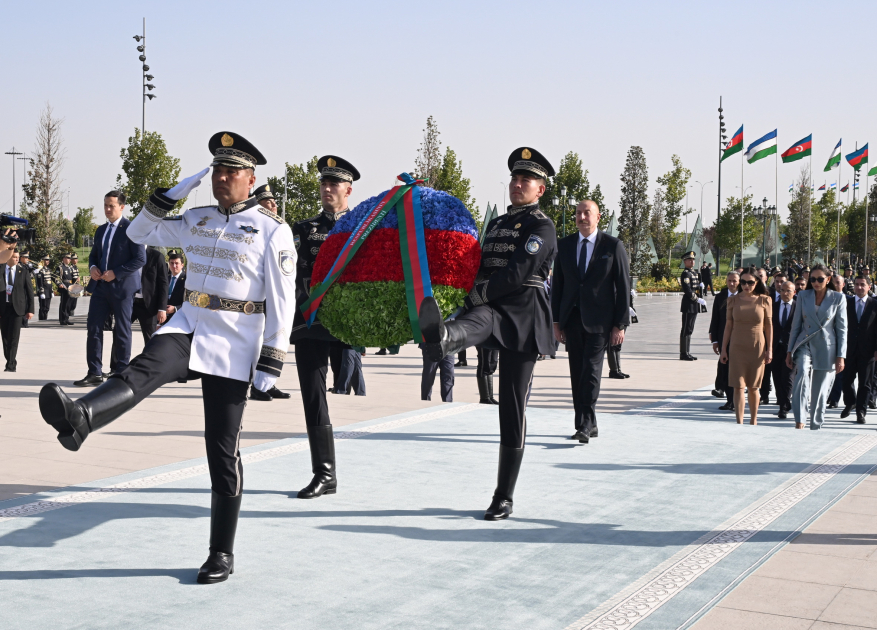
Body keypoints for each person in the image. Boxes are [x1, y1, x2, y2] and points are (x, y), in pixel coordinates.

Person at [40, 131, 295, 584]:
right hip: (189, 324)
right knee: (142, 369)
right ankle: (81, 416)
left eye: (232, 171)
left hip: (236, 341)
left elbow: (283, 300)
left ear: (251, 178)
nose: (223, 177)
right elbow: (139, 232)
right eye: (217, 169)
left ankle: (221, 552)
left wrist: (270, 363)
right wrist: (177, 189)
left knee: (221, 447)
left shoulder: (273, 231)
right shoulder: (195, 217)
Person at [420, 147, 559, 520]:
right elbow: (477, 265)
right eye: (514, 178)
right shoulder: (497, 224)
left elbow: (516, 273)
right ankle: (445, 339)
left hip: (524, 314)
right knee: (479, 320)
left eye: (525, 179)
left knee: (512, 408)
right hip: (493, 308)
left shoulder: (541, 226)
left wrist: (477, 294)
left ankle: (504, 496)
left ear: (540, 189)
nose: (517, 184)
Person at [288, 155, 360, 497]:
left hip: (348, 323)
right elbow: (294, 274)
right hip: (312, 322)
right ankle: (324, 474)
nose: (328, 189)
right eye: (324, 183)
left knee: (350, 382)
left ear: (348, 190)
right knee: (313, 397)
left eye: (334, 184)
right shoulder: (304, 230)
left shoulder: (364, 228)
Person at [549, 198, 629, 443]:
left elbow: (623, 287)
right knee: (577, 372)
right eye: (578, 213)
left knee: (592, 372)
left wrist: (620, 324)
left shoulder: (613, 246)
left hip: (600, 322)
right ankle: (586, 423)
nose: (582, 217)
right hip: (572, 320)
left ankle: (584, 424)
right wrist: (555, 322)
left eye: (587, 213)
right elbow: (557, 287)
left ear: (598, 216)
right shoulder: (564, 245)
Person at [74, 192, 146, 386]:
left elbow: (140, 259)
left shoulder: (132, 229)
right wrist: (92, 268)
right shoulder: (101, 230)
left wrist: (116, 272)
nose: (107, 209)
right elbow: (93, 255)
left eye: (111, 206)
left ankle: (121, 373)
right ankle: (94, 372)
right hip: (100, 288)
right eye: (105, 205)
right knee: (94, 328)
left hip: (122, 288)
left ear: (122, 207)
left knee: (122, 330)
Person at [787, 264, 848, 430]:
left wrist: (841, 356)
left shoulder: (838, 298)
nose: (815, 282)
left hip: (827, 345)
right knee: (801, 374)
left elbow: (842, 329)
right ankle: (800, 419)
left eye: (820, 279)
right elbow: (796, 325)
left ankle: (816, 424)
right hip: (804, 342)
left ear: (828, 279)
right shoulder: (803, 296)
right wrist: (789, 350)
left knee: (820, 388)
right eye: (812, 279)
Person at [720, 267, 772, 425]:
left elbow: (769, 326)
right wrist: (724, 348)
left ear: (757, 282)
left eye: (750, 282)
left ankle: (754, 420)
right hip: (737, 346)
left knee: (753, 386)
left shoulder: (765, 300)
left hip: (757, 345)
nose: (746, 285)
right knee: (738, 385)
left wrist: (769, 349)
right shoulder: (732, 300)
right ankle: (739, 421)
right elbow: (728, 326)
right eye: (743, 282)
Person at [840, 276, 877, 424]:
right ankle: (850, 402)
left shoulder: (875, 304)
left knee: (865, 383)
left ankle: (860, 412)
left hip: (868, 351)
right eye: (857, 285)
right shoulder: (846, 303)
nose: (859, 287)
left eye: (863, 285)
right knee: (846, 380)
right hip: (848, 349)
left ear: (869, 287)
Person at [709, 271, 739, 410]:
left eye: (734, 281)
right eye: (729, 281)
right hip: (723, 339)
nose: (732, 283)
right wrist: (715, 340)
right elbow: (715, 318)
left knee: (736, 370)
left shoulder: (744, 297)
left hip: (740, 339)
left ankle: (736, 400)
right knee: (726, 368)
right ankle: (729, 400)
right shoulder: (720, 296)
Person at [1, 251, 34, 371]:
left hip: (17, 309)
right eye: (14, 257)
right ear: (8, 257)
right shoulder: (1, 270)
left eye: (17, 257)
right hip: (3, 308)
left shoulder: (23, 272)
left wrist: (30, 310)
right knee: (5, 337)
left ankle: (10, 364)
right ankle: (10, 359)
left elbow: (30, 292)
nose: (16, 259)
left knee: (14, 337)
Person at [129, 245, 169, 344]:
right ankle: (117, 360)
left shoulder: (157, 256)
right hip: (130, 302)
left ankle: (149, 359)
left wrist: (162, 308)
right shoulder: (128, 254)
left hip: (148, 305)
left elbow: (163, 283)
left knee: (150, 339)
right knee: (118, 332)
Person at [772, 281, 796, 419]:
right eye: (782, 290)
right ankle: (782, 401)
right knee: (777, 378)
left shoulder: (799, 307)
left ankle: (784, 407)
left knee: (787, 378)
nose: (785, 293)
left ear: (794, 292)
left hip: (791, 349)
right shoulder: (773, 307)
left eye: (788, 291)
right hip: (776, 348)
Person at [679, 251, 707, 360]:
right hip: (688, 303)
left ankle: (687, 352)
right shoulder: (686, 273)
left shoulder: (694, 273)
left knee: (690, 328)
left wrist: (701, 288)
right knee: (686, 328)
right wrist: (697, 299)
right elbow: (687, 290)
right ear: (685, 261)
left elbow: (694, 288)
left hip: (694, 304)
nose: (692, 261)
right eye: (689, 260)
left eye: (693, 259)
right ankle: (683, 353)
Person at [53, 253, 77, 326]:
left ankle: (66, 318)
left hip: (70, 287)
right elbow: (55, 277)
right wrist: (59, 284)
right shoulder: (60, 267)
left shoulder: (69, 268)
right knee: (64, 303)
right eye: (67, 258)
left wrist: (75, 280)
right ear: (63, 259)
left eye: (70, 258)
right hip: (64, 286)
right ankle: (62, 319)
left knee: (68, 304)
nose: (69, 260)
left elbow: (72, 278)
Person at [165, 250, 186, 324]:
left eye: (177, 263)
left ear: (182, 265)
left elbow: (190, 301)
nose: (174, 266)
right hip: (164, 317)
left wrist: (176, 308)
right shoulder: (165, 279)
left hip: (180, 318)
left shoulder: (187, 280)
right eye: (172, 263)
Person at [19, 252, 35, 328]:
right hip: (22, 289)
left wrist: (33, 270)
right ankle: (22, 322)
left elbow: (30, 276)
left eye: (27, 257)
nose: (27, 259)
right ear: (21, 258)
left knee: (27, 304)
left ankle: (25, 322)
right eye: (25, 257)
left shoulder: (26, 266)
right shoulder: (19, 266)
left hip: (27, 287)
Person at [35, 255, 53, 321]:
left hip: (48, 291)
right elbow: (40, 282)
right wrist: (41, 292)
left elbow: (50, 281)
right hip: (44, 291)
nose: (48, 261)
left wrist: (52, 291)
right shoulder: (40, 270)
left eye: (48, 260)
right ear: (42, 261)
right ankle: (41, 320)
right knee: (43, 307)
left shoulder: (48, 269)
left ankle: (45, 319)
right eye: (46, 260)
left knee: (47, 307)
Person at [67, 253, 82, 319]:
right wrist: (75, 279)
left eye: (76, 259)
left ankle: (71, 314)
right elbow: (69, 277)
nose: (76, 260)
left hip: (76, 286)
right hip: (72, 286)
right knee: (71, 301)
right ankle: (69, 314)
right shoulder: (70, 268)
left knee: (74, 302)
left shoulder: (76, 268)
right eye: (74, 259)